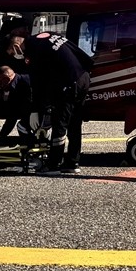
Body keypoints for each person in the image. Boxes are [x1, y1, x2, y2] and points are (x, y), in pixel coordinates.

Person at [24, 31, 92, 174]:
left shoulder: (33, 49)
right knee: (75, 122)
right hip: (83, 76)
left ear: (17, 45)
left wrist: (35, 109)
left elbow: (37, 82)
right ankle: (72, 162)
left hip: (69, 83)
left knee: (60, 123)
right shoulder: (49, 35)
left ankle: (53, 164)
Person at [0, 65, 36, 141]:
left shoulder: (27, 81)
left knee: (22, 126)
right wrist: (0, 137)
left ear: (6, 79)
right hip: (35, 113)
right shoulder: (14, 90)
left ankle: (32, 145)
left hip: (45, 111)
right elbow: (12, 116)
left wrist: (35, 112)